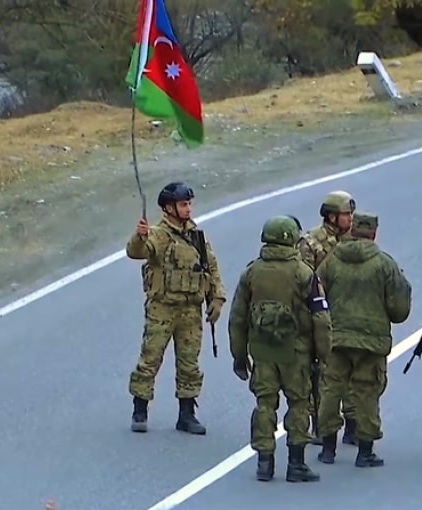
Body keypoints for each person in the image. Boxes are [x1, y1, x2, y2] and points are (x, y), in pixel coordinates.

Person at [228, 215, 333, 483]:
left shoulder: (252, 272)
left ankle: (265, 462)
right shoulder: (304, 274)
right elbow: (321, 318)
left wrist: (240, 356)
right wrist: (324, 355)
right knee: (299, 404)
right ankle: (296, 463)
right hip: (295, 353)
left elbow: (238, 318)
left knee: (264, 404)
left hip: (263, 352)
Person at [125, 181, 226, 435]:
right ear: (169, 208)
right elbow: (137, 252)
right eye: (183, 204)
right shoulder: (158, 235)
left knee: (189, 363)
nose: (188, 209)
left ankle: (187, 413)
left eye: (189, 204)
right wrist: (139, 236)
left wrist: (217, 299)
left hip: (191, 310)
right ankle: (140, 408)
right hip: (163, 309)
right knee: (150, 359)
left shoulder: (197, 236)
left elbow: (210, 268)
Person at [315, 212, 412, 467]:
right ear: (374, 234)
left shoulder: (332, 260)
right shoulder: (384, 264)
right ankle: (365, 451)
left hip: (336, 339)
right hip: (371, 343)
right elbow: (399, 310)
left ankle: (327, 448)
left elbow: (315, 293)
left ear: (352, 231)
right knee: (367, 392)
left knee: (330, 390)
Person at [297, 190, 359, 446]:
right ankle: (322, 426)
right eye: (346, 214)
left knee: (353, 373)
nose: (351, 219)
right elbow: (304, 281)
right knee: (321, 375)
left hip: (348, 317)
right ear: (332, 217)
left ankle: (354, 425)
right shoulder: (311, 242)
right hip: (321, 316)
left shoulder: (355, 242)